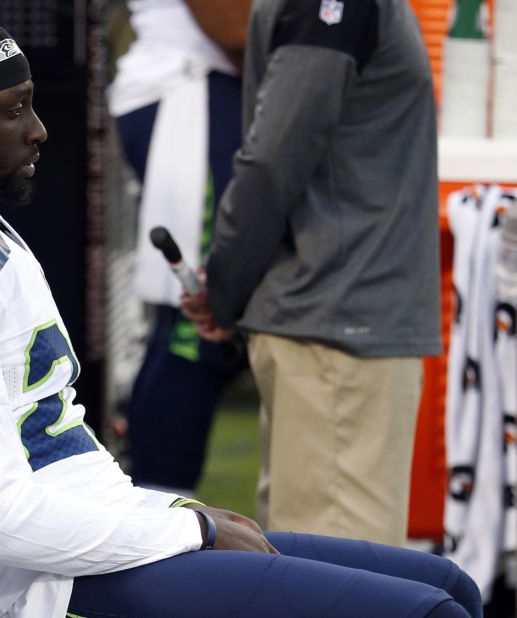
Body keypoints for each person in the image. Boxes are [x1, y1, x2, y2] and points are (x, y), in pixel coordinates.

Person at [0, 12, 477, 618]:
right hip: (33, 573)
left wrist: (168, 518)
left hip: (89, 523)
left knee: (447, 584)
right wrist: (188, 526)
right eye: (14, 109)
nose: (38, 129)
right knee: (430, 612)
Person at [180, 0, 444, 546]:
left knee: (316, 569)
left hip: (335, 322)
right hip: (338, 324)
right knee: (342, 581)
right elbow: (274, 158)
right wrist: (227, 283)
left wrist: (229, 284)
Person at [107, 0, 251, 497]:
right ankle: (161, 523)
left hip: (200, 91)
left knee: (194, 324)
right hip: (188, 91)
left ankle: (154, 511)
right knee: (198, 326)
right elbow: (233, 25)